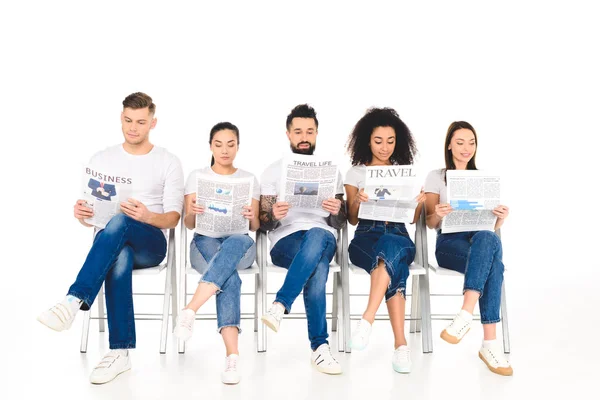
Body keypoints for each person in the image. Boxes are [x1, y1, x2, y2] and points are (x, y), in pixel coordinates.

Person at [37, 92, 184, 384]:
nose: (133, 128)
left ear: (153, 123)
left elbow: (173, 218)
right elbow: (91, 218)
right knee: (119, 255)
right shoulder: (102, 158)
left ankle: (74, 299)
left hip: (151, 242)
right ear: (121, 117)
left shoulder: (168, 161)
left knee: (121, 222)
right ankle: (121, 353)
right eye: (128, 120)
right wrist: (81, 214)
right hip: (113, 241)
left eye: (141, 122)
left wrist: (145, 216)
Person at [259, 104, 346, 375]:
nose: (304, 137)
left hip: (323, 236)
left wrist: (336, 211)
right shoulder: (273, 171)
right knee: (317, 269)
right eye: (298, 131)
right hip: (286, 240)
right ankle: (320, 348)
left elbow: (341, 222)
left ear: (317, 133)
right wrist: (272, 214)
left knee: (319, 234)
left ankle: (281, 303)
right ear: (288, 134)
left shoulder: (332, 171)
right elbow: (263, 222)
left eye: (310, 131)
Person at [424, 121, 513, 376]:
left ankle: (465, 316)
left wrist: (501, 218)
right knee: (493, 263)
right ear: (449, 144)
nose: (466, 148)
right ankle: (490, 343)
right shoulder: (436, 176)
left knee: (488, 241)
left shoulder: (481, 178)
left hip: (480, 239)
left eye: (471, 143)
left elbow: (492, 228)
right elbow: (429, 222)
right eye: (460, 142)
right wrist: (438, 214)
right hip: (449, 243)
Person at [173, 122, 259, 385]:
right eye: (219, 144)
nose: (225, 150)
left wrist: (251, 216)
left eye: (230, 144)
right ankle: (232, 357)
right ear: (210, 146)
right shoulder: (196, 176)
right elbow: (188, 225)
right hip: (204, 243)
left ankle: (190, 309)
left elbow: (255, 227)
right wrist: (192, 213)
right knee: (228, 277)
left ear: (238, 146)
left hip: (240, 245)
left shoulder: (249, 179)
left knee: (234, 243)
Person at [344, 107, 424, 373]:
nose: (384, 147)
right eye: (378, 141)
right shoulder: (356, 173)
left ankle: (366, 320)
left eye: (390, 141)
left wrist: (419, 203)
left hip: (398, 234)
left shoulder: (404, 171)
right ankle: (401, 346)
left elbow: (412, 219)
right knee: (394, 266)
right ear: (367, 140)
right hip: (366, 237)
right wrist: (357, 200)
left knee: (391, 248)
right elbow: (352, 219)